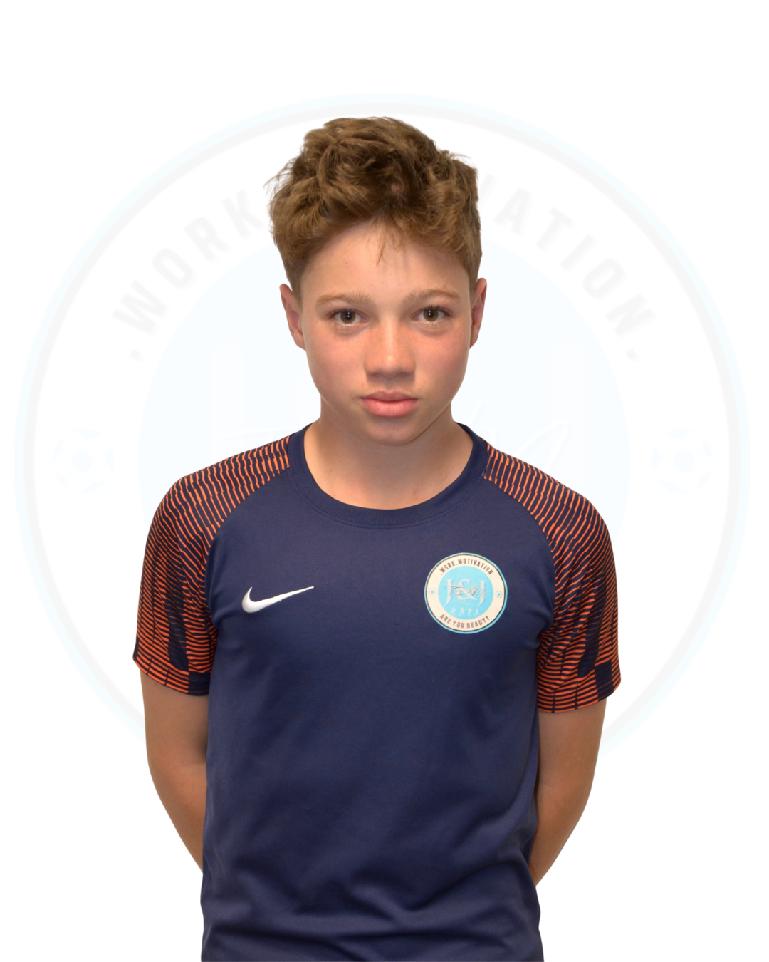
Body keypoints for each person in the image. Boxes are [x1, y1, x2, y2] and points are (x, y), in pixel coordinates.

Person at [133, 115, 621, 962]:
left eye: (428, 313)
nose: (389, 358)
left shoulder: (560, 532)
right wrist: (279, 917)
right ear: (293, 317)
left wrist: (446, 926)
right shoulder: (204, 516)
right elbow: (178, 754)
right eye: (347, 316)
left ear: (476, 311)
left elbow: (564, 783)